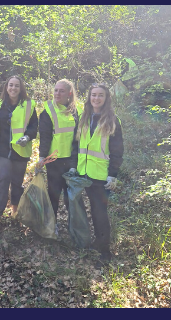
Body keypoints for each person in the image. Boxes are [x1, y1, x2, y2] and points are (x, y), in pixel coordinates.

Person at [77, 84, 123, 264]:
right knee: (94, 210)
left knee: (100, 212)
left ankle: (105, 251)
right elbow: (78, 145)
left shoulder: (112, 120)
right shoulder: (85, 118)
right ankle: (98, 242)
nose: (96, 98)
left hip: (102, 176)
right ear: (89, 97)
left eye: (100, 96)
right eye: (93, 95)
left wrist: (113, 174)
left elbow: (117, 150)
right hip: (85, 172)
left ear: (106, 98)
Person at [0, 75, 38, 233]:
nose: (13, 88)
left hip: (20, 150)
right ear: (6, 87)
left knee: (17, 182)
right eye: (11, 85)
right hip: (2, 150)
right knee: (2, 180)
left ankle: (14, 211)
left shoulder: (29, 105)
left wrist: (28, 136)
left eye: (16, 85)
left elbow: (34, 126)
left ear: (21, 88)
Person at [37, 79, 81, 220]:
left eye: (61, 91)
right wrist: (41, 157)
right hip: (54, 161)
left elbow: (77, 140)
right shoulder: (47, 112)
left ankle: (73, 227)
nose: (57, 93)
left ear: (69, 93)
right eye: (56, 90)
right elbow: (45, 137)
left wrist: (75, 165)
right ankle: (51, 225)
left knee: (71, 196)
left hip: (71, 161)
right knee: (53, 194)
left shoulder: (76, 111)